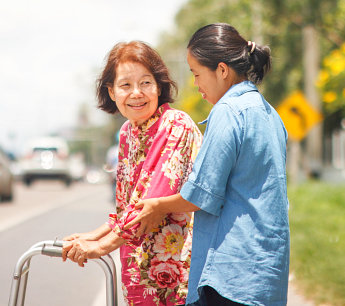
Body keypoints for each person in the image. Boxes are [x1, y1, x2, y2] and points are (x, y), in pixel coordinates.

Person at [124, 23, 290, 306]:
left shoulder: (227, 111)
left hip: (231, 275)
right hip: (267, 273)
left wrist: (158, 205)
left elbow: (202, 195)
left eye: (197, 73)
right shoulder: (269, 112)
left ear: (222, 70)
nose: (196, 84)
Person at [62, 41, 202, 306]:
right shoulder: (128, 132)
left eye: (146, 83)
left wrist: (100, 247)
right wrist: (93, 235)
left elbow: (150, 206)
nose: (136, 93)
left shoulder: (175, 124)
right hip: (138, 269)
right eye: (125, 85)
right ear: (112, 92)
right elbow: (129, 205)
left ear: (158, 86)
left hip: (177, 274)